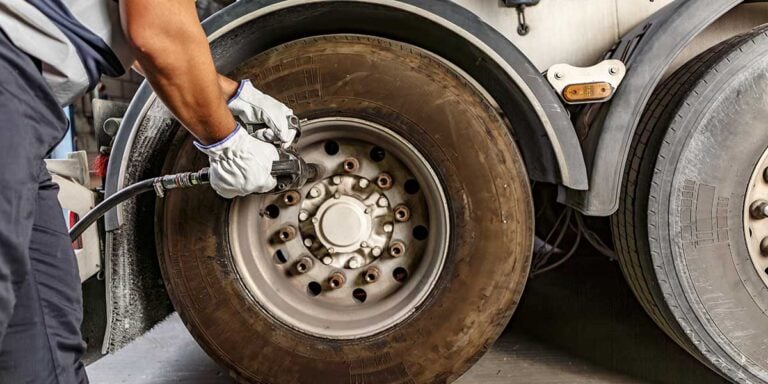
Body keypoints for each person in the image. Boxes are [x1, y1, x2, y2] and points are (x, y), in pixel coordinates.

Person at [0, 1, 295, 382]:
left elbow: (141, 36)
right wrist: (226, 142)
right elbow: (153, 33)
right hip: (10, 86)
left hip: (25, 108)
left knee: (42, 340)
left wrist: (232, 95)